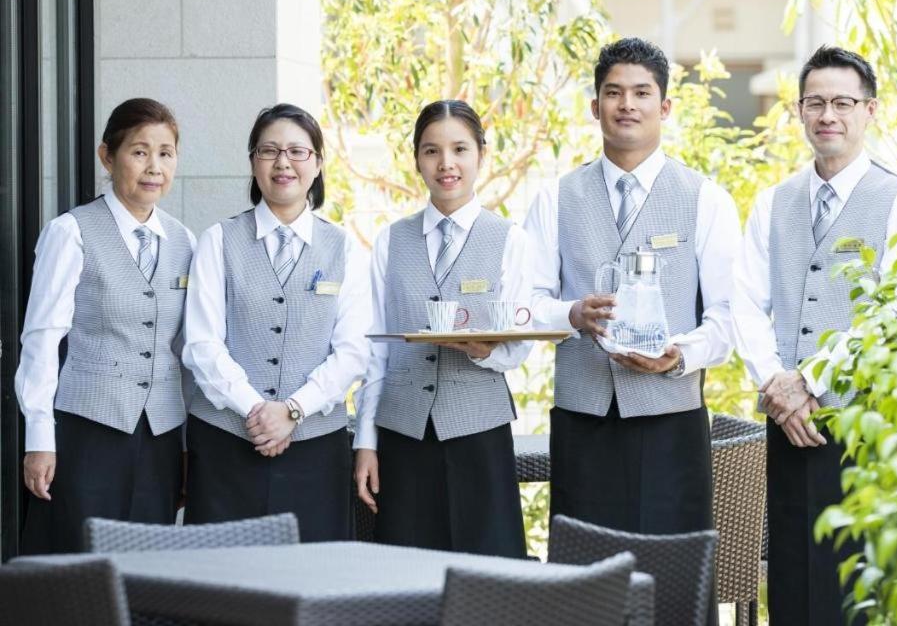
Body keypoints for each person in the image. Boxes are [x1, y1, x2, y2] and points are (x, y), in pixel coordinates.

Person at [525, 38, 739, 609]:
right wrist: (571, 314)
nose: (627, 105)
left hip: (671, 424)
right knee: (584, 588)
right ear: (594, 106)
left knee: (674, 587)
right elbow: (525, 304)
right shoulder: (554, 198)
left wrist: (680, 355)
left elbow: (727, 317)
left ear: (664, 107)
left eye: (642, 93)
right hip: (584, 421)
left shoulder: (705, 199)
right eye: (613, 93)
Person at [731, 45, 897, 626]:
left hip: (866, 427)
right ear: (799, 110)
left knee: (857, 585)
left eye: (843, 103)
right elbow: (746, 303)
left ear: (869, 110)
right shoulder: (772, 203)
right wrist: (778, 387)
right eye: (815, 103)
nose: (828, 115)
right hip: (787, 424)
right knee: (792, 578)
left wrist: (810, 379)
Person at [183, 103, 370, 541]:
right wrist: (257, 411)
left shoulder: (345, 249)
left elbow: (352, 352)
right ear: (253, 162)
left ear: (318, 163)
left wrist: (292, 410)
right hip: (226, 443)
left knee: (312, 571)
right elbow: (202, 344)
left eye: (297, 151)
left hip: (316, 450)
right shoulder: (217, 240)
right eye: (269, 151)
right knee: (219, 573)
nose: (283, 162)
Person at [16, 98, 195, 553]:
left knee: (147, 565)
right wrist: (40, 438)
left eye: (166, 153)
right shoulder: (71, 232)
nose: (154, 167)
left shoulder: (185, 241)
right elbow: (41, 341)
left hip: (160, 438)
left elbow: (185, 352)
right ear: (107, 156)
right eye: (139, 152)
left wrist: (187, 446)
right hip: (88, 432)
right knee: (79, 562)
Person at [353, 100, 530, 558]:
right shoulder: (391, 240)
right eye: (431, 151)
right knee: (406, 572)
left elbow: (519, 346)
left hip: (480, 435)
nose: (446, 163)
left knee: (488, 573)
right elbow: (376, 351)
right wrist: (366, 442)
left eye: (459, 149)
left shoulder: (510, 239)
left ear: (481, 155)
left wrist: (482, 349)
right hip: (403, 436)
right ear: (416, 159)